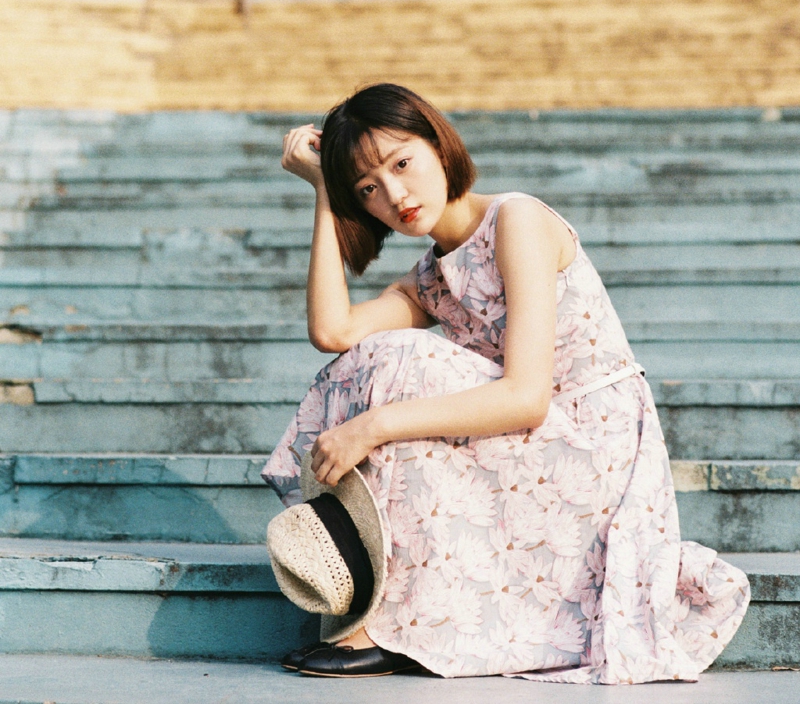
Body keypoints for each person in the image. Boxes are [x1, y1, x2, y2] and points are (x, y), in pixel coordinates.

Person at [262, 84, 750, 682]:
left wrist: (372, 426)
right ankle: (384, 615)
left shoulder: (516, 220)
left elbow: (525, 397)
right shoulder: (434, 276)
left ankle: (385, 623)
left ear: (438, 144)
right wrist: (322, 191)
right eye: (367, 189)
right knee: (371, 359)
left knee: (402, 362)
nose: (394, 195)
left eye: (402, 163)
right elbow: (333, 331)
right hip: (535, 450)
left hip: (594, 452)